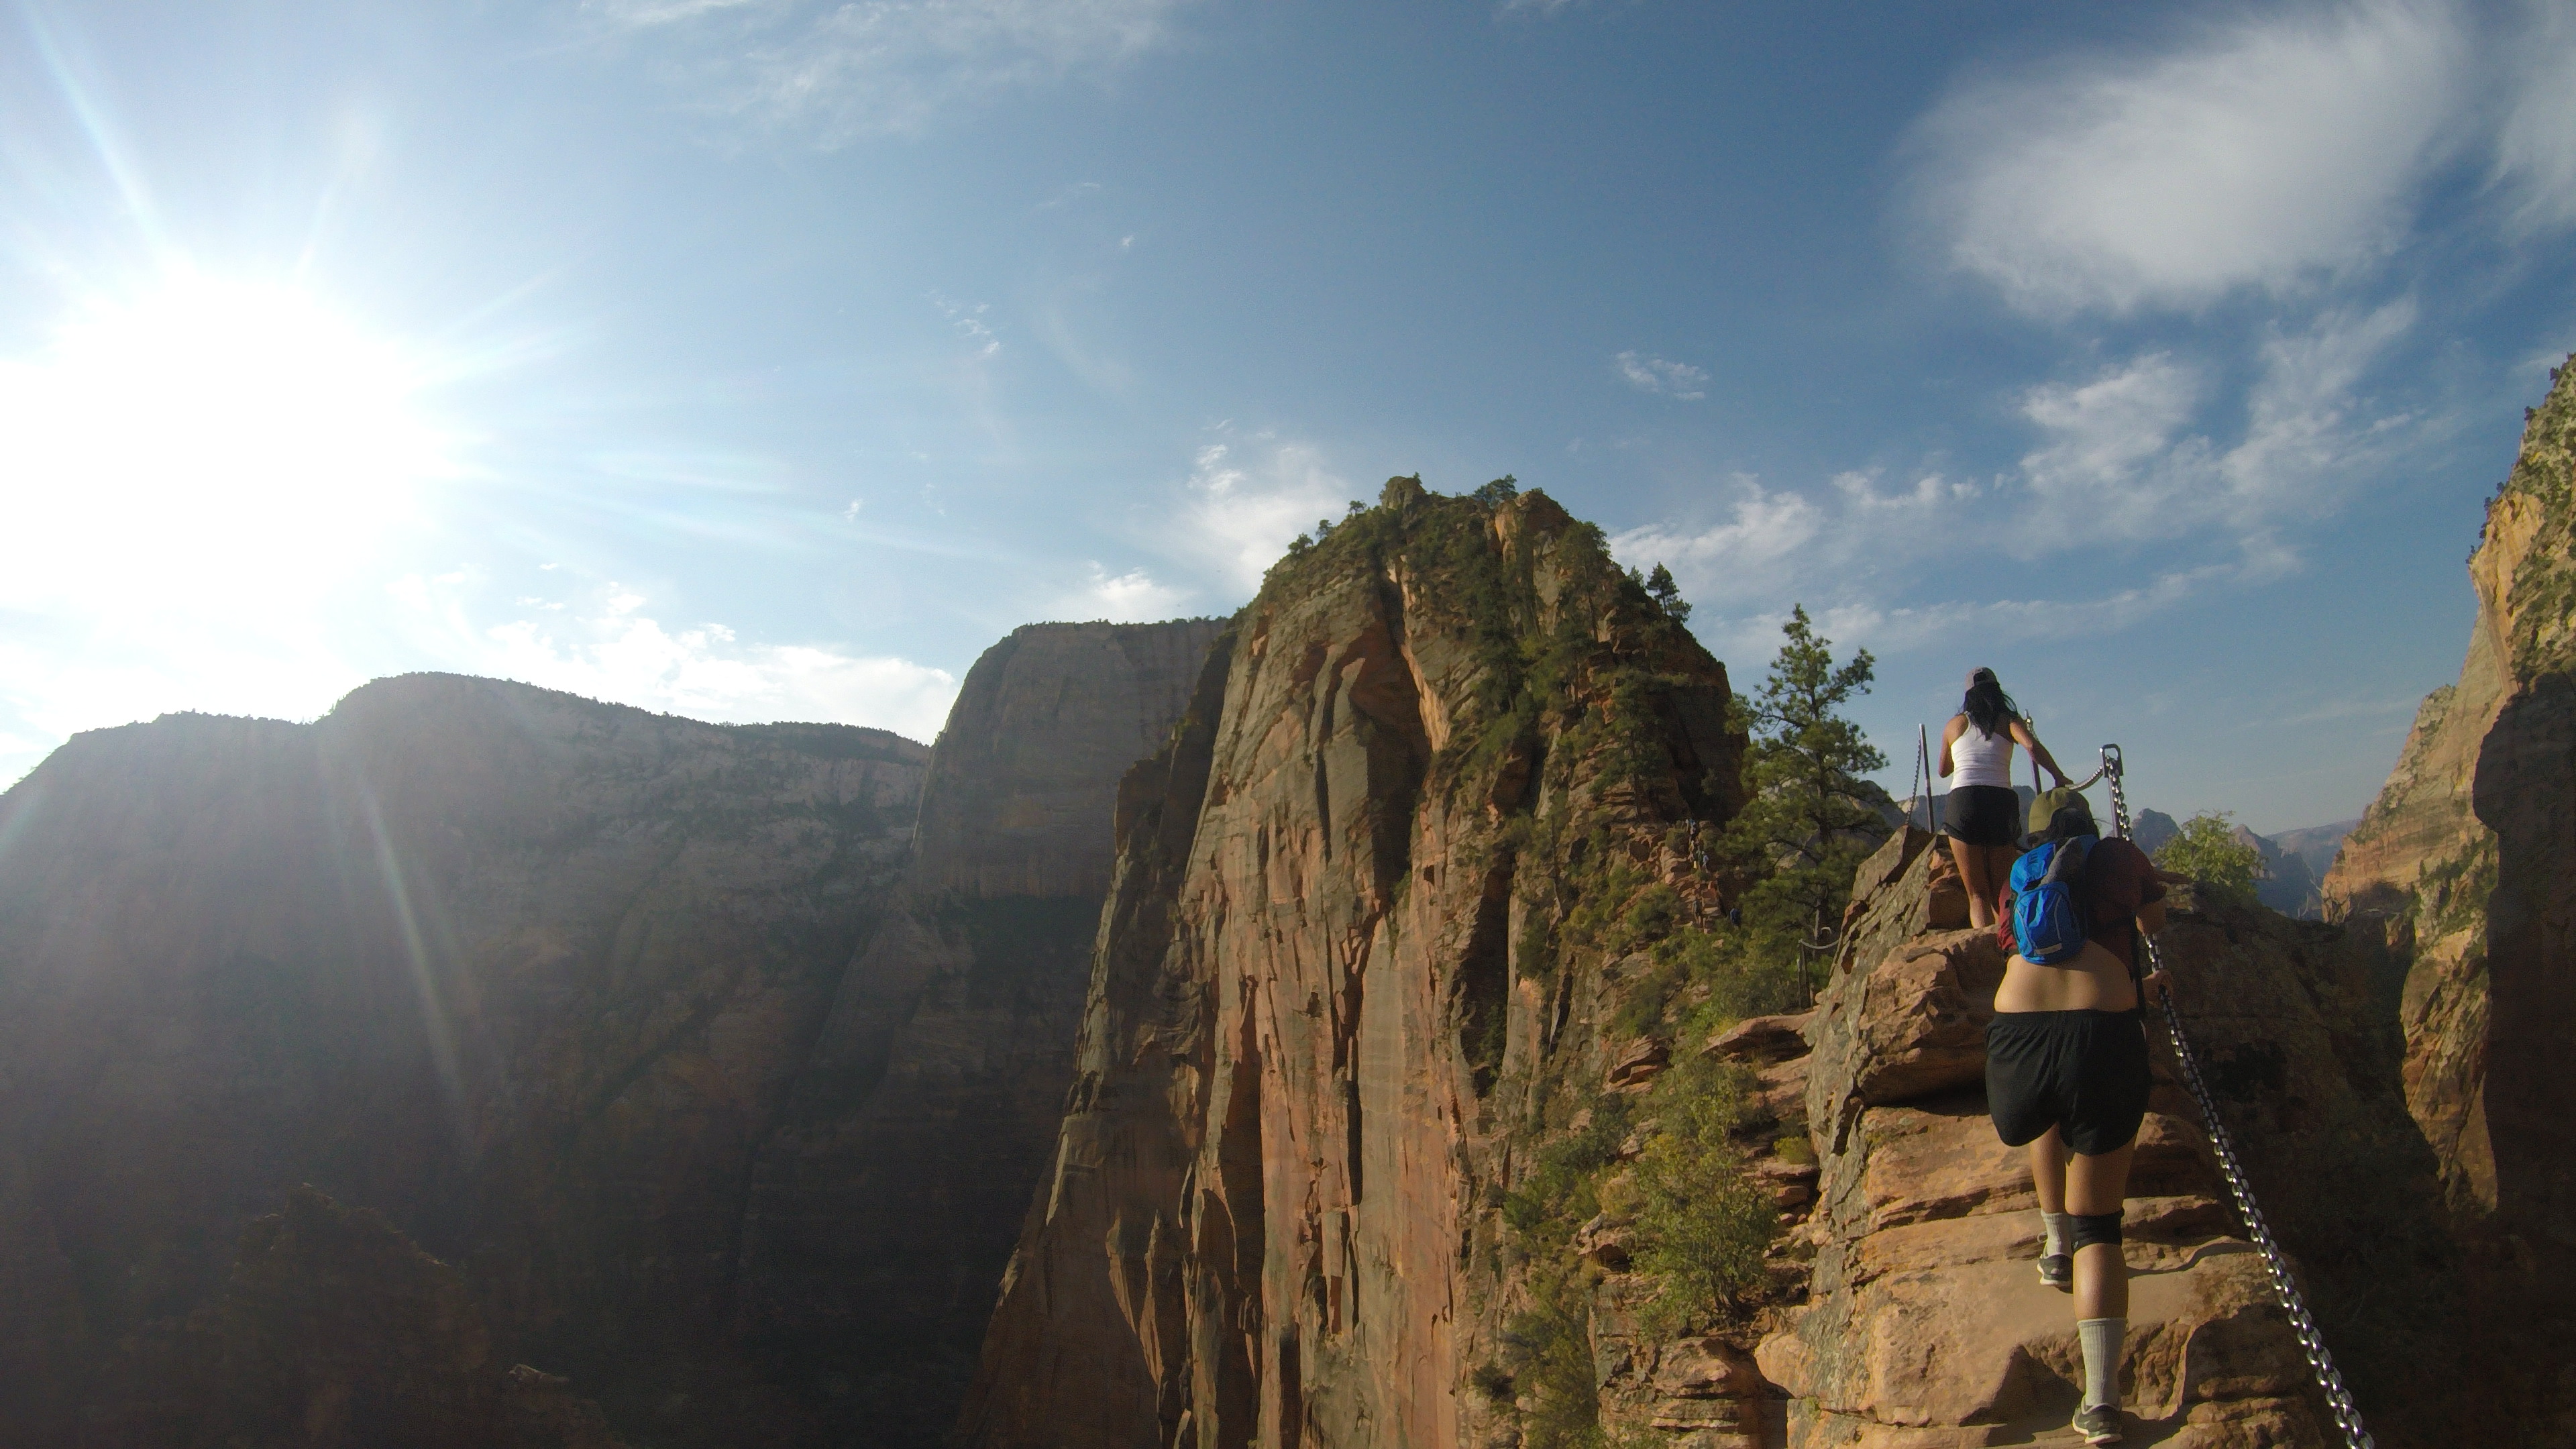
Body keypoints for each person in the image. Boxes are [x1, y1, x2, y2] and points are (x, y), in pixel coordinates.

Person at [1984, 799, 2188, 1446]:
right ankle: (2100, 1404)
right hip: (2102, 1035)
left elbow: (2015, 948)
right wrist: (2139, 980)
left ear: (2041, 838)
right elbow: (2153, 920)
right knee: (2101, 1223)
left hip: (2016, 1040)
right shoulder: (2120, 858)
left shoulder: (2023, 874)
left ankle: (2052, 1248)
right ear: (2091, 831)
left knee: (2047, 1116)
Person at [1938, 667, 2068, 928]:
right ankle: (2011, 948)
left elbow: (1943, 771)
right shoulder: (2008, 720)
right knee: (2002, 890)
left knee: (1976, 895)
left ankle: (1987, 952)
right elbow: (2031, 747)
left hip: (1964, 800)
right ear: (1997, 690)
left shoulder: (1955, 724)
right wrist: (2058, 776)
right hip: (2000, 800)